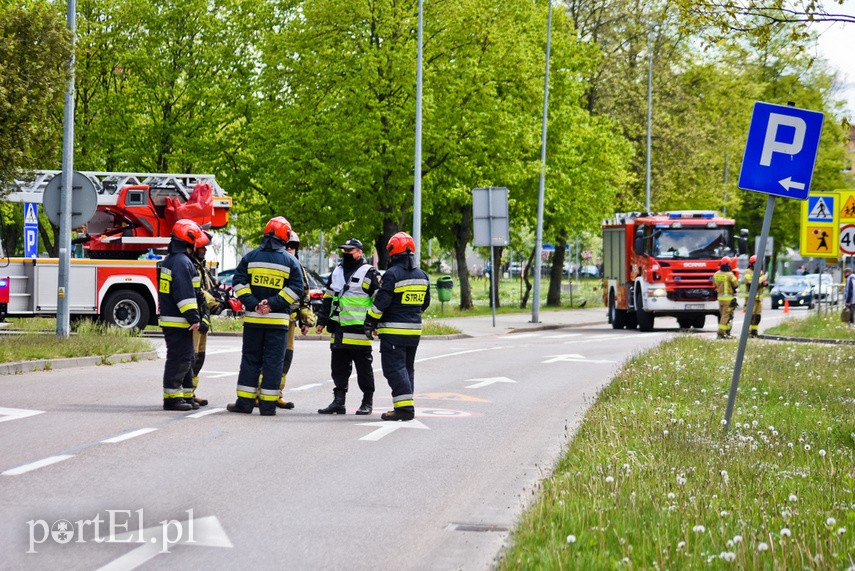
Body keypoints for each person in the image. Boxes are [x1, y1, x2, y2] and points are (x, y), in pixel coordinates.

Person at [227, 216, 304, 416]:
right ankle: (268, 406)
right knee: (273, 362)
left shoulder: (250, 257)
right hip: (278, 322)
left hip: (254, 319)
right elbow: (297, 289)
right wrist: (272, 304)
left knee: (250, 359)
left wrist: (254, 303)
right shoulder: (290, 261)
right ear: (285, 236)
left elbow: (238, 282)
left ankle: (244, 403)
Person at [364, 232, 431, 421]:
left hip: (393, 331)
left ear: (393, 253)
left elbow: (381, 303)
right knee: (407, 369)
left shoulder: (392, 274)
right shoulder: (422, 275)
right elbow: (424, 304)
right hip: (414, 331)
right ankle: (404, 405)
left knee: (393, 368)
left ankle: (404, 409)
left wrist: (370, 322)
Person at [315, 238, 381, 415]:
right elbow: (328, 298)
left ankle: (367, 401)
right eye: (344, 250)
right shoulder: (337, 272)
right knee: (338, 368)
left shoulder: (369, 273)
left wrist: (376, 324)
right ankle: (339, 402)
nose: (346, 253)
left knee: (363, 369)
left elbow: (379, 300)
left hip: (359, 329)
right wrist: (321, 320)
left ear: (359, 252)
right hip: (338, 328)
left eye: (350, 250)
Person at [259, 231, 316, 410]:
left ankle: (276, 394)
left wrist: (305, 320)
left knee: (285, 358)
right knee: (264, 358)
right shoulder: (272, 264)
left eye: (293, 247)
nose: (290, 249)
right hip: (267, 317)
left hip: (288, 321)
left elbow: (304, 297)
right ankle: (258, 393)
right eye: (287, 245)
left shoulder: (298, 268)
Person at [158, 219, 211, 411]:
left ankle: (186, 395)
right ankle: (172, 399)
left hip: (176, 320)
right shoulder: (181, 263)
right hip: (179, 321)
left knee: (187, 358)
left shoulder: (174, 260)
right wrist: (193, 317)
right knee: (178, 359)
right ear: (189, 240)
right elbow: (184, 294)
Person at [742, 255, 768, 338]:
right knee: (750, 316)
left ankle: (754, 332)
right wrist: (761, 279)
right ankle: (748, 333)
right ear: (752, 264)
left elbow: (764, 282)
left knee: (757, 317)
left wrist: (764, 282)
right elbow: (750, 283)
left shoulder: (760, 272)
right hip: (750, 299)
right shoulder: (747, 272)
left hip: (759, 299)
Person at [713, 256, 739, 339]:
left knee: (723, 315)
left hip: (720, 299)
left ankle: (727, 333)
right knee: (726, 315)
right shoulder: (730, 275)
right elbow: (736, 285)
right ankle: (721, 333)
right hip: (728, 299)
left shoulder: (716, 274)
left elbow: (715, 285)